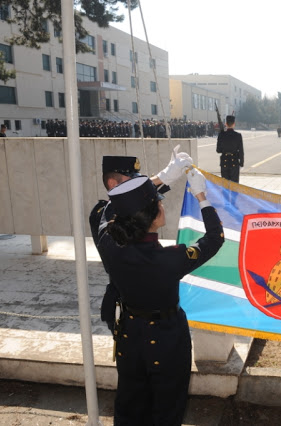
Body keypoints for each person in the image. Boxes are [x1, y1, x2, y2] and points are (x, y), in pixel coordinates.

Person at [97, 171, 224, 425]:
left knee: (130, 405)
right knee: (168, 408)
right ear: (152, 217)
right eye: (159, 203)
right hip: (167, 339)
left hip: (129, 336)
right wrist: (202, 198)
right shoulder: (170, 259)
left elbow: (109, 213)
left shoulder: (108, 244)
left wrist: (159, 178)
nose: (162, 205)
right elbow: (214, 238)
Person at [90, 149, 192, 332]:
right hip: (128, 311)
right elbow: (129, 203)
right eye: (133, 181)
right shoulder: (102, 214)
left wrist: (165, 178)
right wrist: (162, 177)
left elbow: (142, 200)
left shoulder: (130, 209)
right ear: (113, 184)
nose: (139, 187)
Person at [216, 115, 244, 183]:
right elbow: (241, 151)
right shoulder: (238, 135)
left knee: (225, 186)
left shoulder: (221, 135)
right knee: (234, 186)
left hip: (224, 162)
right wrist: (241, 163)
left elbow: (218, 150)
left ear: (226, 124)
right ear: (234, 124)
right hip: (234, 162)